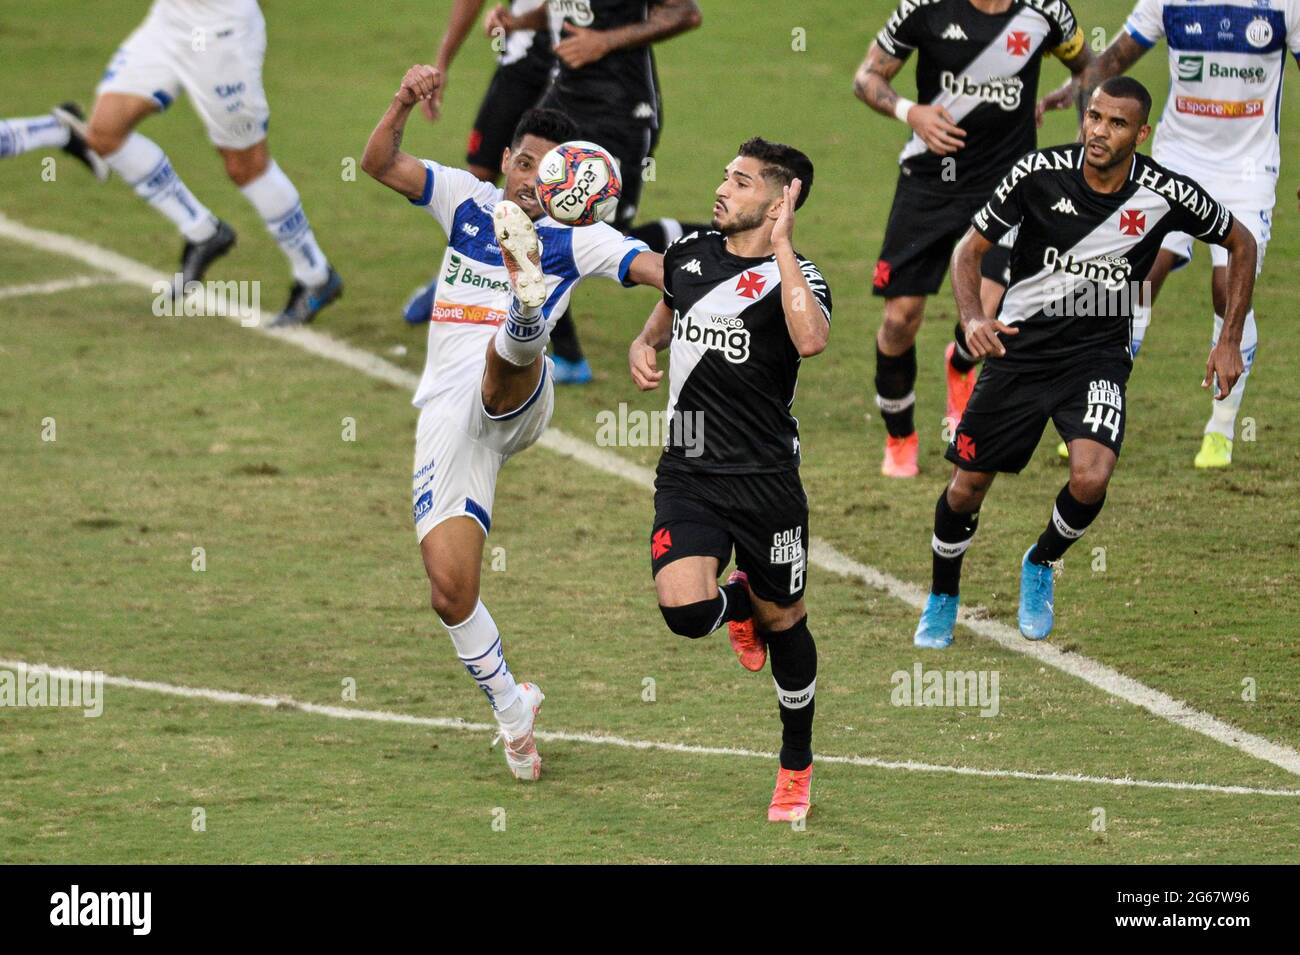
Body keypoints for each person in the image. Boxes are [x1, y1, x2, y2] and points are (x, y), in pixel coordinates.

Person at [363, 64, 662, 780]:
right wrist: (403, 98)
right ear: (506, 161)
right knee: (449, 589)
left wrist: (654, 331)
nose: (532, 177)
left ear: (570, 182)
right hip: (449, 412)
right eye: (525, 162)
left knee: (503, 363)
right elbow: (379, 163)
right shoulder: (468, 201)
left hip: (519, 393)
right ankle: (512, 711)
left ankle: (526, 313)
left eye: (548, 169)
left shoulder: (579, 237)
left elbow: (663, 270)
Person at [913, 77, 1257, 650]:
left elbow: (1240, 241)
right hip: (1017, 352)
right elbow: (968, 251)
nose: (1099, 131)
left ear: (1141, 133)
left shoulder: (1165, 191)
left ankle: (1041, 561)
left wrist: (1229, 338)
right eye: (1094, 117)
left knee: (1091, 476)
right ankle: (943, 595)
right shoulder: (1036, 174)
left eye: (1116, 123)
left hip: (1096, 358)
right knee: (966, 487)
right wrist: (974, 318)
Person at [628, 138, 831, 821]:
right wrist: (641, 344)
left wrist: (782, 248)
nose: (722, 187)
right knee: (686, 611)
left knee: (787, 624)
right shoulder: (688, 252)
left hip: (767, 482)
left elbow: (811, 339)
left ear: (776, 203)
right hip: (688, 470)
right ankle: (731, 604)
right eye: (725, 174)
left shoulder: (798, 276)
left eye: (740, 181)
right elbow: (666, 316)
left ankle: (795, 765)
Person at [1040, 0, 1300, 469]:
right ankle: (1096, 415)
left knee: (1228, 288)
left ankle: (1221, 429)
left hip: (1247, 171)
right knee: (1136, 275)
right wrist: (1074, 87)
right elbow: (1115, 58)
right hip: (1177, 158)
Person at [853, 0, 1091, 477]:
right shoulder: (924, 9)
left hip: (1007, 184)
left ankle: (960, 366)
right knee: (901, 318)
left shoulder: (1046, 12)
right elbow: (866, 77)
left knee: (989, 313)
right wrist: (910, 111)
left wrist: (1083, 119)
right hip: (927, 182)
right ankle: (901, 436)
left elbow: (1093, 70)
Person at [2, 0, 343, 324]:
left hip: (220, 36)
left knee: (246, 166)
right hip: (171, 22)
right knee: (104, 133)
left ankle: (316, 275)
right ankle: (204, 231)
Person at [485, 0, 703, 383]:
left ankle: (721, 243)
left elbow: (686, 12)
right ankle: (564, 355)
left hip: (618, 110)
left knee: (608, 239)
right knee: (524, 219)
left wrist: (603, 41)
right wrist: (519, 21)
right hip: (563, 97)